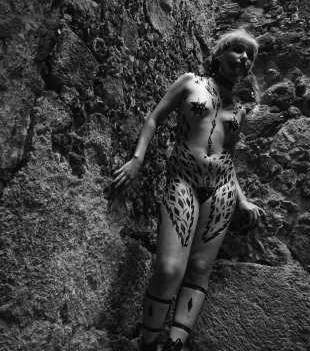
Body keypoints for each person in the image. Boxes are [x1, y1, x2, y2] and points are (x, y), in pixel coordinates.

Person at [111, 29, 264, 351]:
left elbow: (228, 157)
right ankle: (148, 342)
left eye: (249, 56)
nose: (244, 58)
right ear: (219, 54)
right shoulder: (190, 82)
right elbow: (154, 118)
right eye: (238, 50)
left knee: (199, 270)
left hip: (221, 189)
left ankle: (175, 345)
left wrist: (242, 200)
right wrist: (137, 159)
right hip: (183, 179)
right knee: (169, 268)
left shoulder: (239, 109)